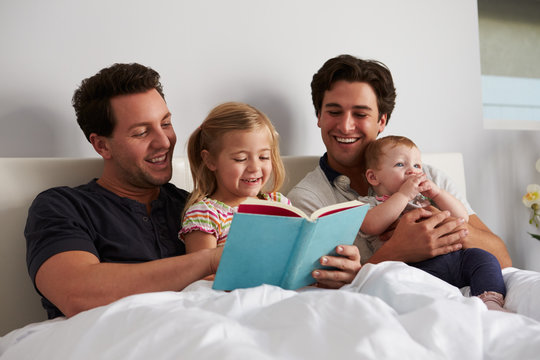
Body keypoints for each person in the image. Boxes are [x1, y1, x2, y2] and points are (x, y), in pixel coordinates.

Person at [25, 63, 360, 319]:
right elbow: (76, 293)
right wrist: (212, 259)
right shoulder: (63, 206)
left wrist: (327, 268)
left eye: (166, 123)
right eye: (142, 132)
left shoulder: (195, 205)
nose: (163, 141)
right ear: (101, 145)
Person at [287, 54, 512, 269]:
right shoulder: (309, 199)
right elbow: (317, 286)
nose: (346, 126)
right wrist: (397, 251)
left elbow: (502, 259)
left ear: (381, 120)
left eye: (361, 114)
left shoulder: (429, 178)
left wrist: (444, 226)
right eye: (334, 112)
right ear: (319, 116)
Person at [358, 135, 508, 311]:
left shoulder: (425, 198)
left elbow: (462, 218)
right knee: (395, 282)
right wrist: (404, 195)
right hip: (415, 268)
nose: (411, 171)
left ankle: (490, 301)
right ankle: (445, 308)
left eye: (416, 165)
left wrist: (438, 194)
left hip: (456, 259)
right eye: (400, 164)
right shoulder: (370, 204)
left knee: (483, 259)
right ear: (373, 177)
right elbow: (371, 225)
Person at [179, 102, 290, 255]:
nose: (255, 168)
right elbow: (202, 272)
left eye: (263, 157)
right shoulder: (206, 215)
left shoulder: (279, 203)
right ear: (210, 160)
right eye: (240, 159)